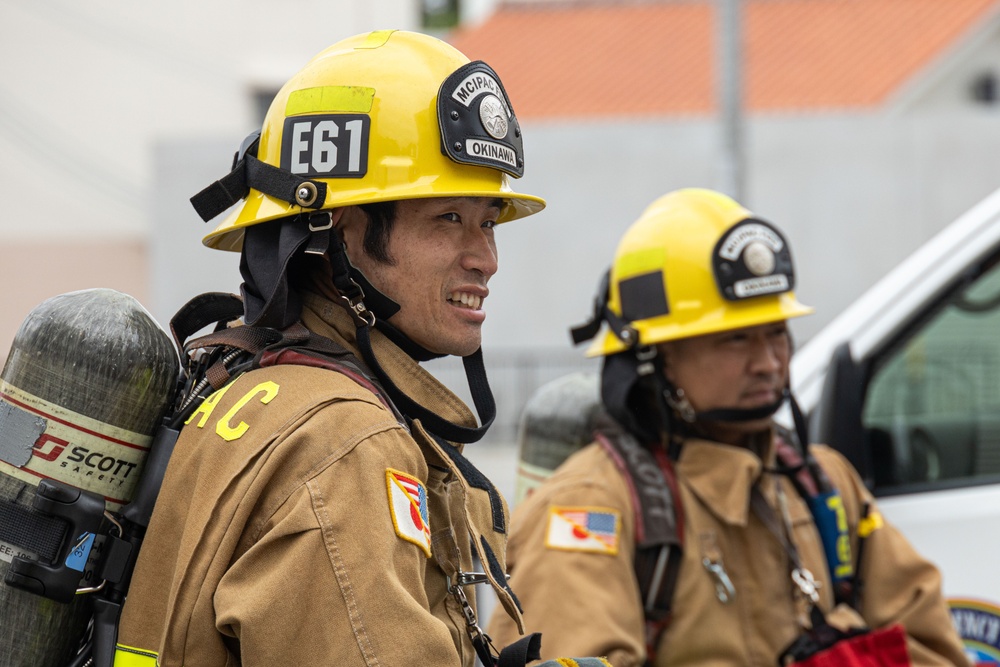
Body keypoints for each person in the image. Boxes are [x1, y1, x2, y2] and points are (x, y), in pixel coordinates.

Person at [111, 29, 576, 667]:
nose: (486, 258)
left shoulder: (239, 385)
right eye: (448, 219)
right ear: (337, 230)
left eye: (488, 221)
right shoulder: (343, 444)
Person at [486, 188, 969, 666]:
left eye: (776, 333)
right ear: (656, 357)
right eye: (735, 340)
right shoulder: (590, 506)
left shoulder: (824, 484)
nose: (768, 362)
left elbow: (931, 649)